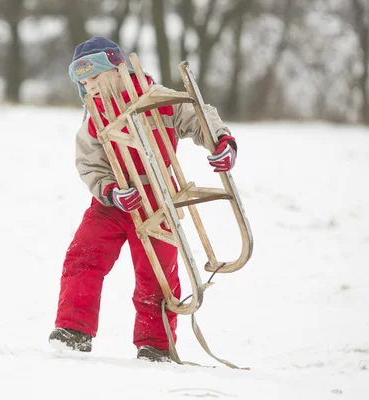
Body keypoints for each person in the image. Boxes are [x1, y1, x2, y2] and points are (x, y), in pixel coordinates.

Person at [49, 36, 237, 362]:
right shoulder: (95, 117)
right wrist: (109, 192)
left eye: (95, 77)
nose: (90, 87)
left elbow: (196, 116)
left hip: (157, 198)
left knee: (157, 273)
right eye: (83, 82)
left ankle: (156, 344)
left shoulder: (158, 99)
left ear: (119, 68)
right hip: (113, 201)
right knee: (83, 256)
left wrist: (221, 140)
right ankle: (74, 329)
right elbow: (89, 163)